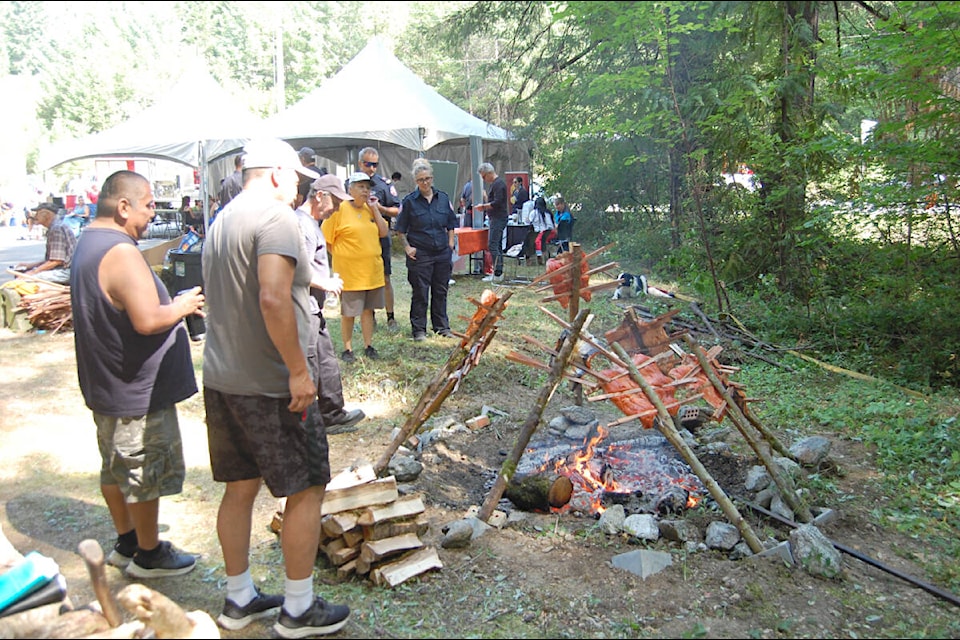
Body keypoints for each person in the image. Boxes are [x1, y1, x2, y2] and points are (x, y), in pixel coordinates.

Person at [201, 138, 350, 637]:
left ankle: (238, 596)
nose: (299, 189)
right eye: (296, 180)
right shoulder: (276, 219)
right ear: (277, 173)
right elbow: (272, 297)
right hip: (269, 383)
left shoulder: (222, 220)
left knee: (239, 487)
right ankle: (298, 607)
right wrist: (297, 370)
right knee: (308, 487)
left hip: (223, 379)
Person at [69, 170, 203, 579]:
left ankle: (127, 539)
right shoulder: (120, 252)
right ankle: (148, 554)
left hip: (108, 384)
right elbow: (146, 320)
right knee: (142, 470)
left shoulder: (89, 241)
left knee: (114, 466)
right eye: (146, 205)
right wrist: (181, 306)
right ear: (123, 206)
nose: (150, 215)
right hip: (135, 391)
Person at [295, 174, 366, 433]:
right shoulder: (301, 225)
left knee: (326, 360)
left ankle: (333, 414)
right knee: (311, 362)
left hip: (315, 308)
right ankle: (310, 421)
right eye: (334, 202)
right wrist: (324, 283)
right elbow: (295, 266)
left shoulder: (312, 223)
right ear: (320, 196)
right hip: (304, 309)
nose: (337, 208)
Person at [322, 172, 389, 363]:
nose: (365, 191)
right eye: (361, 187)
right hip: (350, 273)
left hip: (371, 271)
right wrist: (341, 255)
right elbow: (326, 239)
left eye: (368, 187)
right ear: (350, 189)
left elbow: (383, 232)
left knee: (368, 310)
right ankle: (347, 348)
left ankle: (368, 345)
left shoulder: (370, 209)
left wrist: (375, 209)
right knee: (349, 312)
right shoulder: (339, 209)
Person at [395, 159, 458, 342]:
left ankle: (441, 327)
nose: (425, 182)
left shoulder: (443, 198)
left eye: (428, 178)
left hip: (441, 252)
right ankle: (419, 330)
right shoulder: (409, 202)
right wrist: (407, 247)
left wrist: (451, 242)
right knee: (420, 292)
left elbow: (451, 223)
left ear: (432, 178)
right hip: (420, 253)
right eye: (421, 179)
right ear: (416, 181)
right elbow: (400, 229)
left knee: (441, 290)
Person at [356, 147, 401, 331]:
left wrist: (380, 208)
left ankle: (391, 318)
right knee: (364, 279)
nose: (371, 168)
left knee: (385, 278)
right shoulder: (350, 184)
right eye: (368, 164)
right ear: (360, 164)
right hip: (359, 239)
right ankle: (369, 316)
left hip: (380, 236)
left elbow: (397, 209)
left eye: (375, 164)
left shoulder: (384, 185)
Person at [13, 202, 77, 284]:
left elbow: (56, 261)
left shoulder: (56, 228)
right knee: (25, 272)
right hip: (65, 269)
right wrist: (31, 265)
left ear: (46, 214)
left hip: (66, 272)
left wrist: (33, 272)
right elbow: (52, 259)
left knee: (24, 280)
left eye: (38, 213)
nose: (35, 216)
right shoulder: (56, 226)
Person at [475, 162, 508, 283]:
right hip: (495, 218)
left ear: (489, 173)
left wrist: (483, 206)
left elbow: (497, 202)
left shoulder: (498, 184)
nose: (484, 179)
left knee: (493, 245)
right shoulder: (496, 184)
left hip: (498, 218)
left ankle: (498, 273)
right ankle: (498, 272)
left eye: (484, 176)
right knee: (497, 245)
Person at [528, 195, 556, 265]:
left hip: (541, 233)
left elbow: (528, 222)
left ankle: (539, 257)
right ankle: (545, 256)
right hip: (551, 233)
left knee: (535, 240)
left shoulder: (534, 213)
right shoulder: (548, 212)